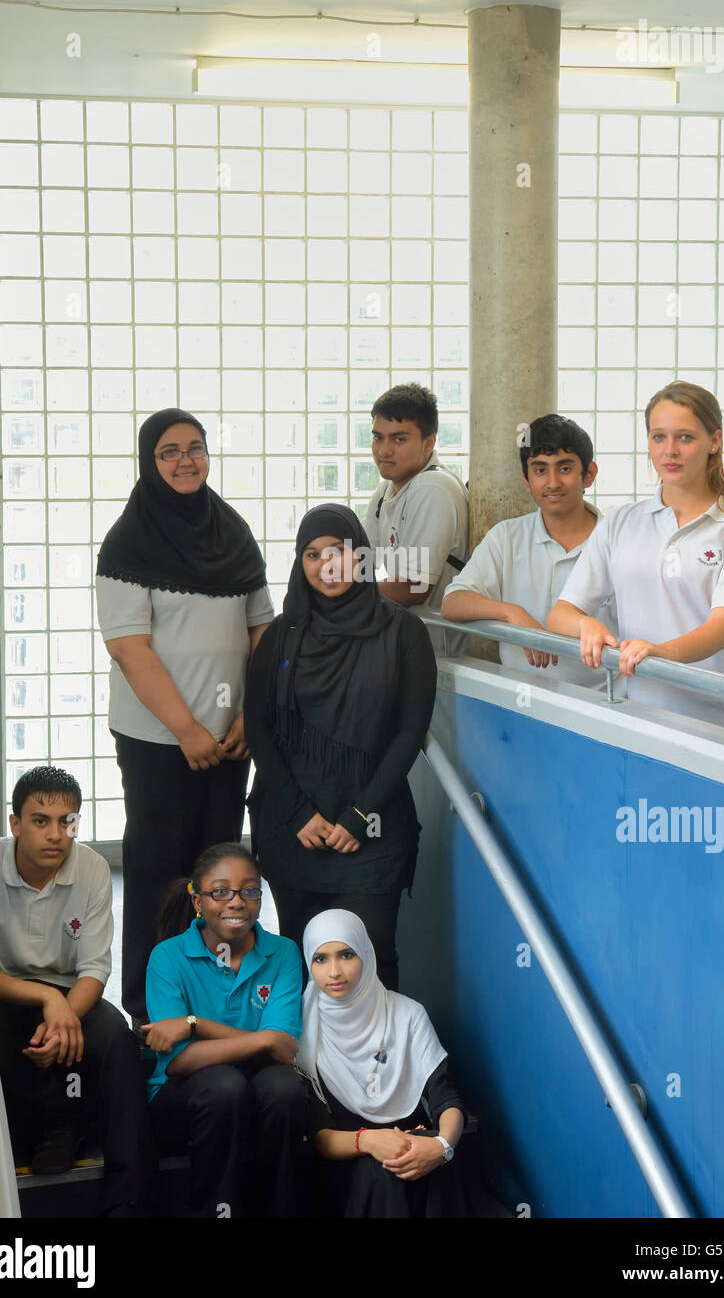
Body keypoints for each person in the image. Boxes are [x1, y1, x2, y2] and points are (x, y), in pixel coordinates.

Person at [96, 407, 273, 1027]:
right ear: (150, 462)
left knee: (220, 872)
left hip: (231, 741)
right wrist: (187, 731)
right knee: (158, 871)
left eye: (195, 448)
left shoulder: (233, 532)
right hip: (157, 741)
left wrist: (252, 714)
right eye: (169, 451)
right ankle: (149, 1011)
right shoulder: (127, 543)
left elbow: (262, 630)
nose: (185, 460)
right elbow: (129, 648)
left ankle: (219, 999)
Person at [244, 504, 437, 989]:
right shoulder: (280, 637)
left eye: (340, 552)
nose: (326, 565)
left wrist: (359, 815)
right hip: (295, 828)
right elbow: (260, 728)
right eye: (312, 554)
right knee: (301, 964)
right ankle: (305, 1068)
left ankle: (381, 1065)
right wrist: (297, 814)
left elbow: (409, 732)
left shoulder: (403, 632)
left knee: (372, 962)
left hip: (371, 828)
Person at [548, 382, 724, 748]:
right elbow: (561, 614)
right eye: (658, 437)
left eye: (685, 437)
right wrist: (586, 624)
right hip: (656, 727)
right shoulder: (620, 522)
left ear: (714, 441)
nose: (670, 451)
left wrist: (661, 653)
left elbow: (722, 628)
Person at [0, 766, 155, 1215]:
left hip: (72, 993)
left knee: (120, 1043)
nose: (56, 834)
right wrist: (47, 1001)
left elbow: (94, 968)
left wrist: (64, 1010)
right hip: (2, 990)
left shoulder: (91, 867)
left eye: (67, 821)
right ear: (15, 824)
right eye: (40, 821)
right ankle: (38, 1137)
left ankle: (130, 1198)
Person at [144, 842, 308, 1218]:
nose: (237, 902)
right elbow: (180, 1062)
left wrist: (195, 1024)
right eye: (220, 892)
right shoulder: (167, 957)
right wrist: (263, 1039)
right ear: (197, 900)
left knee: (284, 1088)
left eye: (249, 890)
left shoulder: (282, 952)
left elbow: (283, 1051)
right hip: (185, 1101)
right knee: (223, 1086)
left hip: (257, 1094)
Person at [296, 909, 467, 1218]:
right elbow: (320, 1137)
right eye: (321, 959)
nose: (334, 971)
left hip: (414, 1148)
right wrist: (371, 1141)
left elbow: (447, 1100)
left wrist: (442, 1146)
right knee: (381, 1172)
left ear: (366, 954)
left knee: (429, 1164)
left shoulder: (407, 1015)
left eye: (346, 955)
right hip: (348, 1161)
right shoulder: (302, 1027)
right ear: (308, 962)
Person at [442, 414, 618, 690]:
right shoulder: (507, 537)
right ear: (526, 479)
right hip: (523, 703)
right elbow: (453, 601)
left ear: (590, 474)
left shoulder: (617, 541)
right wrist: (512, 613)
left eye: (565, 468)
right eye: (539, 470)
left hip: (604, 704)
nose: (552, 483)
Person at [363, 383, 468, 654]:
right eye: (378, 438)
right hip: (408, 647)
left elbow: (414, 585)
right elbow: (362, 561)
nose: (384, 451)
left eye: (399, 439)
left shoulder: (433, 487)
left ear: (429, 442)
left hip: (442, 655)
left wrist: (342, 597)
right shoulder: (387, 489)